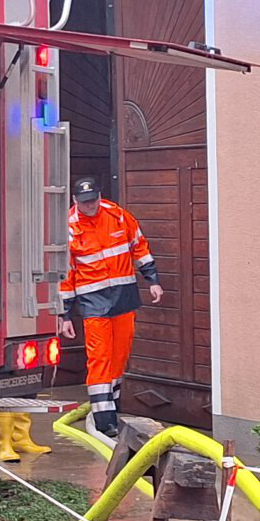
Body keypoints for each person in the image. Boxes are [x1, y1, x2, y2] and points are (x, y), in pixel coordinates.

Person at [56, 176, 161, 438]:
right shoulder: (68, 227)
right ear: (75, 201)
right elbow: (66, 274)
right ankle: (104, 421)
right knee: (100, 358)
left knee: (120, 355)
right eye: (84, 203)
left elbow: (139, 247)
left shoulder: (118, 216)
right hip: (94, 302)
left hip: (124, 297)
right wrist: (64, 314)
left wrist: (153, 281)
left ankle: (111, 408)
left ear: (100, 197)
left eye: (93, 201)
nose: (90, 206)